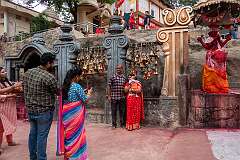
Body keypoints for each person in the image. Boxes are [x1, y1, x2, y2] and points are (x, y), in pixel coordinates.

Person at [23, 52, 58, 160]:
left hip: (31, 110)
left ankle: (33, 157)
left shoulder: (28, 73)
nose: (53, 66)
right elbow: (57, 91)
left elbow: (24, 87)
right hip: (44, 111)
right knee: (41, 137)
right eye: (52, 63)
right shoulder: (49, 77)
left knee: (33, 135)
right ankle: (41, 158)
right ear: (48, 63)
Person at [57, 67, 93, 160]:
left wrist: (83, 92)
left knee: (69, 134)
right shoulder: (76, 86)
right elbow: (85, 99)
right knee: (77, 135)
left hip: (66, 114)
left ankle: (69, 155)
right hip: (75, 114)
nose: (80, 78)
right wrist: (89, 93)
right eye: (80, 76)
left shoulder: (65, 86)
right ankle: (77, 156)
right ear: (76, 76)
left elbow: (69, 98)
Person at [197, 26, 232, 93]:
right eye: (213, 30)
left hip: (218, 56)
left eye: (216, 30)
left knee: (220, 72)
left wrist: (227, 40)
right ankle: (211, 87)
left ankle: (220, 87)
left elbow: (221, 45)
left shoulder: (218, 37)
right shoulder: (209, 38)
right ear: (210, 32)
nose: (216, 31)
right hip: (211, 57)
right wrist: (201, 41)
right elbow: (207, 47)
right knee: (211, 71)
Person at [0, 67, 22, 155]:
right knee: (1, 127)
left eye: (5, 71)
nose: (5, 73)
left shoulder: (7, 81)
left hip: (9, 107)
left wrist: (17, 87)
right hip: (2, 107)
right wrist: (11, 91)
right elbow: (1, 91)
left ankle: (10, 141)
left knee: (9, 123)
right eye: (2, 72)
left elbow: (14, 88)